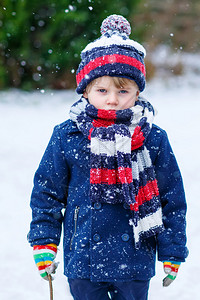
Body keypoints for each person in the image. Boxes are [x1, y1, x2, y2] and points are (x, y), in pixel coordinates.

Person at [28, 14, 188, 300]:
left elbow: (171, 198)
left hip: (135, 259)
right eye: (101, 90)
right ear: (86, 91)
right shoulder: (68, 135)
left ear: (138, 91)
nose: (112, 100)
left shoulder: (153, 138)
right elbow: (47, 192)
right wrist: (44, 241)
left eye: (123, 90)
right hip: (84, 258)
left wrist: (172, 249)